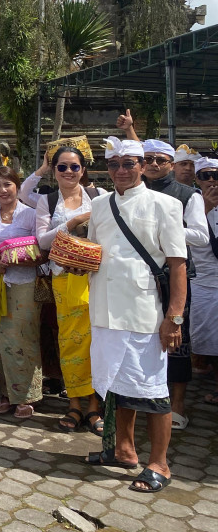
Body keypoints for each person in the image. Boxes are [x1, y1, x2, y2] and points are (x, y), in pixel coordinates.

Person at [85, 137, 186, 494]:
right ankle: (123, 450)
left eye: (129, 164)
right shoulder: (99, 205)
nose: (121, 171)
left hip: (144, 312)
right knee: (114, 385)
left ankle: (160, 463)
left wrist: (174, 317)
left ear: (142, 166)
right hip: (102, 309)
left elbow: (177, 265)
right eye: (114, 165)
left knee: (153, 391)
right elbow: (94, 253)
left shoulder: (166, 204)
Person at [138, 138, 208, 430]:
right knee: (142, 334)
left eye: (160, 160)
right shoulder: (130, 191)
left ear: (171, 164)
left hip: (174, 275)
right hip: (139, 274)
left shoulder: (188, 194)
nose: (154, 164)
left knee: (177, 340)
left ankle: (177, 404)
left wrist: (168, 229)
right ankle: (143, 397)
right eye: (149, 159)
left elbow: (201, 236)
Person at [34, 147, 104, 434]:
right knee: (71, 341)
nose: (68, 173)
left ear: (83, 170)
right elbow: (42, 241)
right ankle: (75, 403)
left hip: (97, 278)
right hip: (64, 279)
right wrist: (72, 222)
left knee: (97, 341)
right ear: (54, 171)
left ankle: (95, 406)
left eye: (74, 167)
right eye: (62, 167)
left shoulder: (99, 197)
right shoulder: (47, 200)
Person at [0, 166, 43, 418]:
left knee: (24, 336)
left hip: (25, 284)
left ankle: (27, 395)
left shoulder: (31, 215)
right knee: (1, 339)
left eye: (7, 185)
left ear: (17, 185)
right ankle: (6, 393)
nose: (3, 190)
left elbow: (43, 251)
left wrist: (21, 258)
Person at [188, 157, 218, 404]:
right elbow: (187, 235)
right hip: (203, 281)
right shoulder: (192, 201)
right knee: (205, 336)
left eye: (215, 175)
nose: (210, 180)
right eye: (205, 176)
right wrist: (206, 208)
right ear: (197, 179)